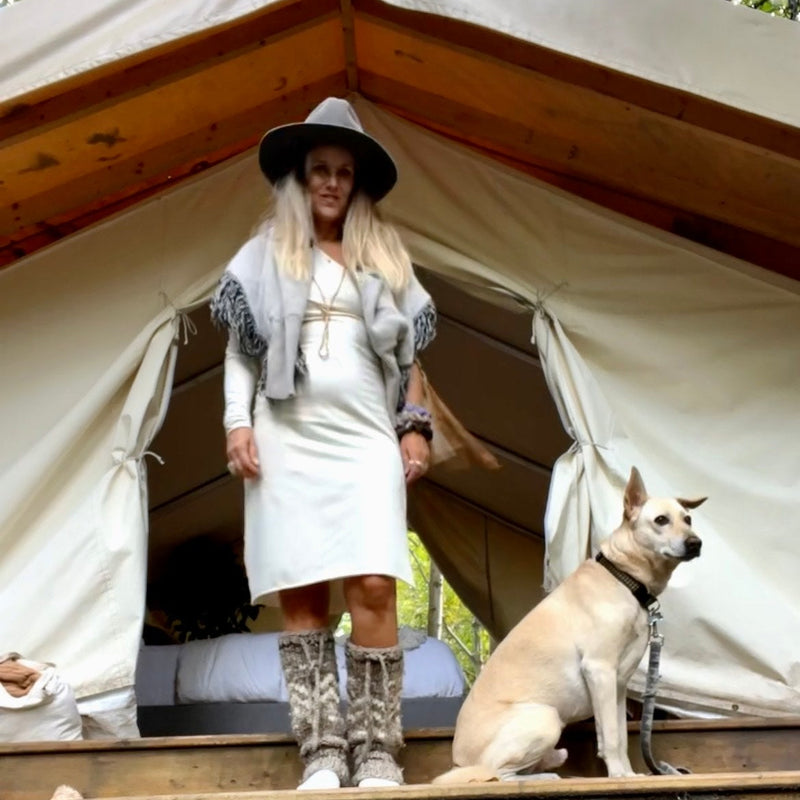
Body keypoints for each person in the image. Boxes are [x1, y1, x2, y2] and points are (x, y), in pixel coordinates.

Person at [210, 97, 437, 790]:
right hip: (288, 439)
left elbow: (411, 360)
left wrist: (416, 428)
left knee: (373, 584)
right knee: (303, 594)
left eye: (343, 171)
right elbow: (242, 354)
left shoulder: (386, 257)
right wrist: (237, 424)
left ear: (357, 182)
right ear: (299, 179)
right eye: (319, 170)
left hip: (366, 437)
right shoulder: (262, 255)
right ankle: (321, 750)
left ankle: (375, 750)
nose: (332, 182)